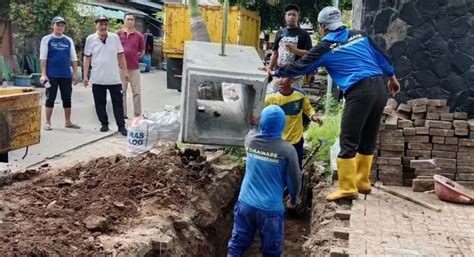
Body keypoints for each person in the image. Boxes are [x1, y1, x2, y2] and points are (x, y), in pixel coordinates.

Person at [269, 6, 401, 201]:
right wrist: (392, 78)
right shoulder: (359, 35)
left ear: (322, 27)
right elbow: (381, 57)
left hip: (359, 91)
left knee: (348, 137)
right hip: (380, 88)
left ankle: (347, 187)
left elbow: (301, 65)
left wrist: (276, 72)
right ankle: (362, 182)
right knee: (369, 135)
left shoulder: (325, 47)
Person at [227, 105, 301, 257]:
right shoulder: (287, 151)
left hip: (245, 205)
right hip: (271, 210)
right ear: (282, 124)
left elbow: (252, 130)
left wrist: (254, 123)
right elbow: (294, 180)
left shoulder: (251, 140)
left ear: (262, 122)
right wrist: (293, 198)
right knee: (271, 251)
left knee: (237, 246)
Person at [83, 15, 129, 136]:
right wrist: (85, 76)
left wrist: (125, 72)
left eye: (105, 24)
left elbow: (121, 55)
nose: (103, 26)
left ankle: (121, 126)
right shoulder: (90, 39)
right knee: (99, 103)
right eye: (100, 24)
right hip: (98, 78)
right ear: (96, 25)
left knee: (118, 103)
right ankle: (104, 123)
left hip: (114, 78)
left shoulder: (114, 38)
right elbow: (87, 58)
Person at [265, 79, 323, 168]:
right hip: (278, 141)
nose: (280, 80)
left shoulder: (300, 95)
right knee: (279, 168)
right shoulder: (271, 98)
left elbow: (308, 109)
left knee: (295, 167)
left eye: (284, 77)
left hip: (296, 140)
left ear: (291, 80)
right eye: (278, 77)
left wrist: (313, 116)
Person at [39, 16, 80, 130]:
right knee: (50, 98)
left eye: (62, 25)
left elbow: (73, 58)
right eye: (58, 25)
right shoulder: (47, 39)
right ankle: (47, 122)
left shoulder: (68, 40)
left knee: (67, 98)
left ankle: (68, 121)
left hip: (66, 75)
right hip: (51, 75)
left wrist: (75, 73)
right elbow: (43, 58)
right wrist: (43, 74)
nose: (60, 27)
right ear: (53, 26)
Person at [264, 4, 312, 88]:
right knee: (274, 97)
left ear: (298, 17)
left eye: (294, 15)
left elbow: (308, 54)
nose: (291, 17)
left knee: (292, 99)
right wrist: (269, 69)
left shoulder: (304, 34)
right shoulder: (280, 33)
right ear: (285, 17)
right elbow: (275, 53)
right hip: (279, 74)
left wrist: (294, 49)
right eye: (289, 14)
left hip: (295, 76)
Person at [116, 12, 145, 119]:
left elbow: (142, 51)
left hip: (134, 68)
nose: (129, 21)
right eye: (128, 19)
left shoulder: (139, 36)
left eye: (131, 20)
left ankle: (137, 114)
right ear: (124, 20)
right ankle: (122, 114)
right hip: (121, 68)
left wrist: (134, 57)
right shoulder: (118, 34)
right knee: (121, 91)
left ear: (134, 21)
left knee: (136, 92)